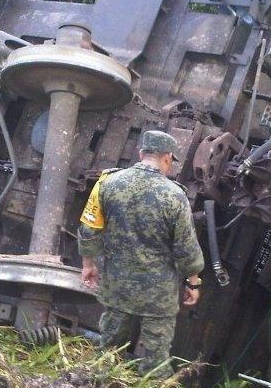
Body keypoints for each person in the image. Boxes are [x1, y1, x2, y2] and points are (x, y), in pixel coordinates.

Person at [77, 130, 205, 379]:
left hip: (117, 287)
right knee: (155, 364)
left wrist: (88, 264)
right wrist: (193, 282)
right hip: (158, 297)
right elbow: (186, 249)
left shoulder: (107, 182)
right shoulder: (175, 195)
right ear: (167, 158)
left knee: (107, 354)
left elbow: (89, 227)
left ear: (140, 153)